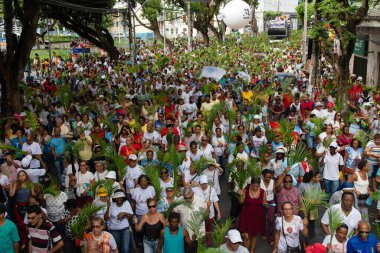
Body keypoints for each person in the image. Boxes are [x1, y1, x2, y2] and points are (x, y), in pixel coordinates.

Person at [239, 177, 266, 253]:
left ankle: (252, 250)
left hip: (257, 217)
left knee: (254, 236)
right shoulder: (246, 189)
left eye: (257, 186)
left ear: (259, 185)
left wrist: (268, 205)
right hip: (246, 216)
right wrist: (241, 195)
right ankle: (245, 251)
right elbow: (241, 201)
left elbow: (264, 202)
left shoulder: (263, 192)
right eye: (253, 185)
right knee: (246, 237)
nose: (255, 187)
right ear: (251, 184)